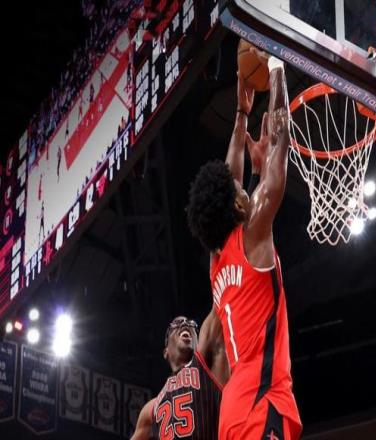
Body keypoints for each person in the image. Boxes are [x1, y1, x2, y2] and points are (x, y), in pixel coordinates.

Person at [187, 49, 302, 439]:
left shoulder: (217, 262)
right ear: (235, 205)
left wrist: (241, 113)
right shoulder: (251, 232)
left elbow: (230, 174)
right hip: (259, 401)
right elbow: (281, 137)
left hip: (235, 408)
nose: (244, 189)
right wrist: (276, 66)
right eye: (239, 190)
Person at [131, 313, 228, 440]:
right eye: (177, 324)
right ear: (166, 352)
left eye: (191, 324)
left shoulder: (210, 369)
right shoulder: (151, 408)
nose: (185, 325)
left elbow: (219, 309)